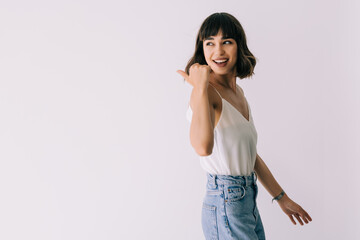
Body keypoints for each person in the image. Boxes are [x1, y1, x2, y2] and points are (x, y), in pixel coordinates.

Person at [176, 12, 312, 240]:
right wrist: (199, 88)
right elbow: (202, 148)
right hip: (226, 201)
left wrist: (282, 198)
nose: (218, 51)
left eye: (226, 42)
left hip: (245, 198)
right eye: (210, 43)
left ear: (239, 46)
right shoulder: (206, 92)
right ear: (202, 49)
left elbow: (250, 157)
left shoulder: (238, 93)